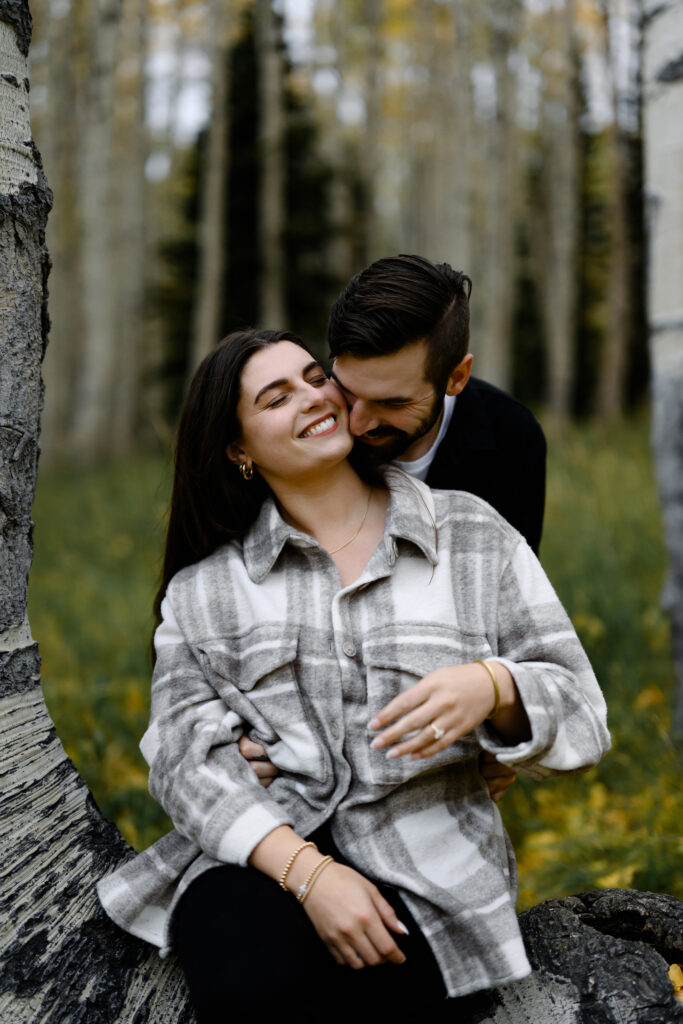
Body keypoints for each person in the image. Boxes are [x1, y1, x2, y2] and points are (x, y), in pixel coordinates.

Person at [97, 329, 610, 1024]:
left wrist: (491, 686)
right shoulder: (205, 591)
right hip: (261, 860)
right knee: (250, 973)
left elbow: (580, 711)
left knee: (387, 992)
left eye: (314, 378)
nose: (312, 398)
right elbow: (183, 761)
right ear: (238, 450)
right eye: (277, 397)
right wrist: (310, 876)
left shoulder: (470, 534)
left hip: (432, 871)